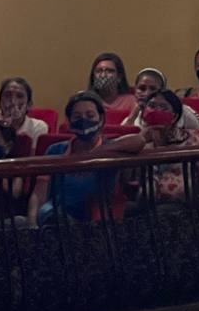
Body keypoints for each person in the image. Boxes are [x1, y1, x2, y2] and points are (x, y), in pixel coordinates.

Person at [28, 91, 143, 226]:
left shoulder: (112, 149)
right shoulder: (55, 150)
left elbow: (139, 140)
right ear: (69, 121)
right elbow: (39, 192)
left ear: (100, 119)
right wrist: (31, 223)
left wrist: (97, 153)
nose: (84, 120)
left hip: (96, 221)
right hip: (57, 217)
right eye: (77, 116)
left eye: (90, 115)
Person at [129, 88, 199, 211]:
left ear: (174, 116)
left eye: (163, 107)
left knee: (163, 212)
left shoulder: (191, 138)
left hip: (182, 205)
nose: (156, 111)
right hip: (145, 203)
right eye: (151, 106)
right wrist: (141, 139)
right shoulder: (138, 141)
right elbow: (127, 178)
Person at [121, 68, 199, 132]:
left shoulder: (184, 110)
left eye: (152, 89)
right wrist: (132, 117)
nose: (147, 93)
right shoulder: (133, 116)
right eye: (142, 88)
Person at [0, 76, 47, 149]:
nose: (13, 101)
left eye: (20, 96)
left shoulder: (37, 127)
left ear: (29, 104)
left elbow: (34, 159)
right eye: (7, 95)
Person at [86, 52, 134, 118]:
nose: (103, 75)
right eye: (99, 71)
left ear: (119, 77)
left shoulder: (131, 102)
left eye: (109, 71)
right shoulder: (85, 102)